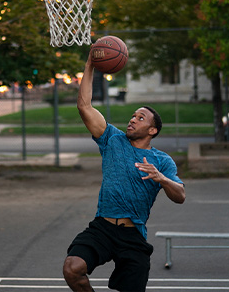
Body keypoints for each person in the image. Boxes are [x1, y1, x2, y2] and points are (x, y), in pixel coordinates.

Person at [63, 55, 185, 292]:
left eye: (140, 118)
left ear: (152, 130)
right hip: (103, 228)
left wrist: (161, 178)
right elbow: (84, 106)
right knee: (72, 267)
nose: (132, 120)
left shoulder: (162, 161)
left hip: (132, 235)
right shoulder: (112, 139)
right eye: (132, 115)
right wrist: (90, 66)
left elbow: (180, 195)